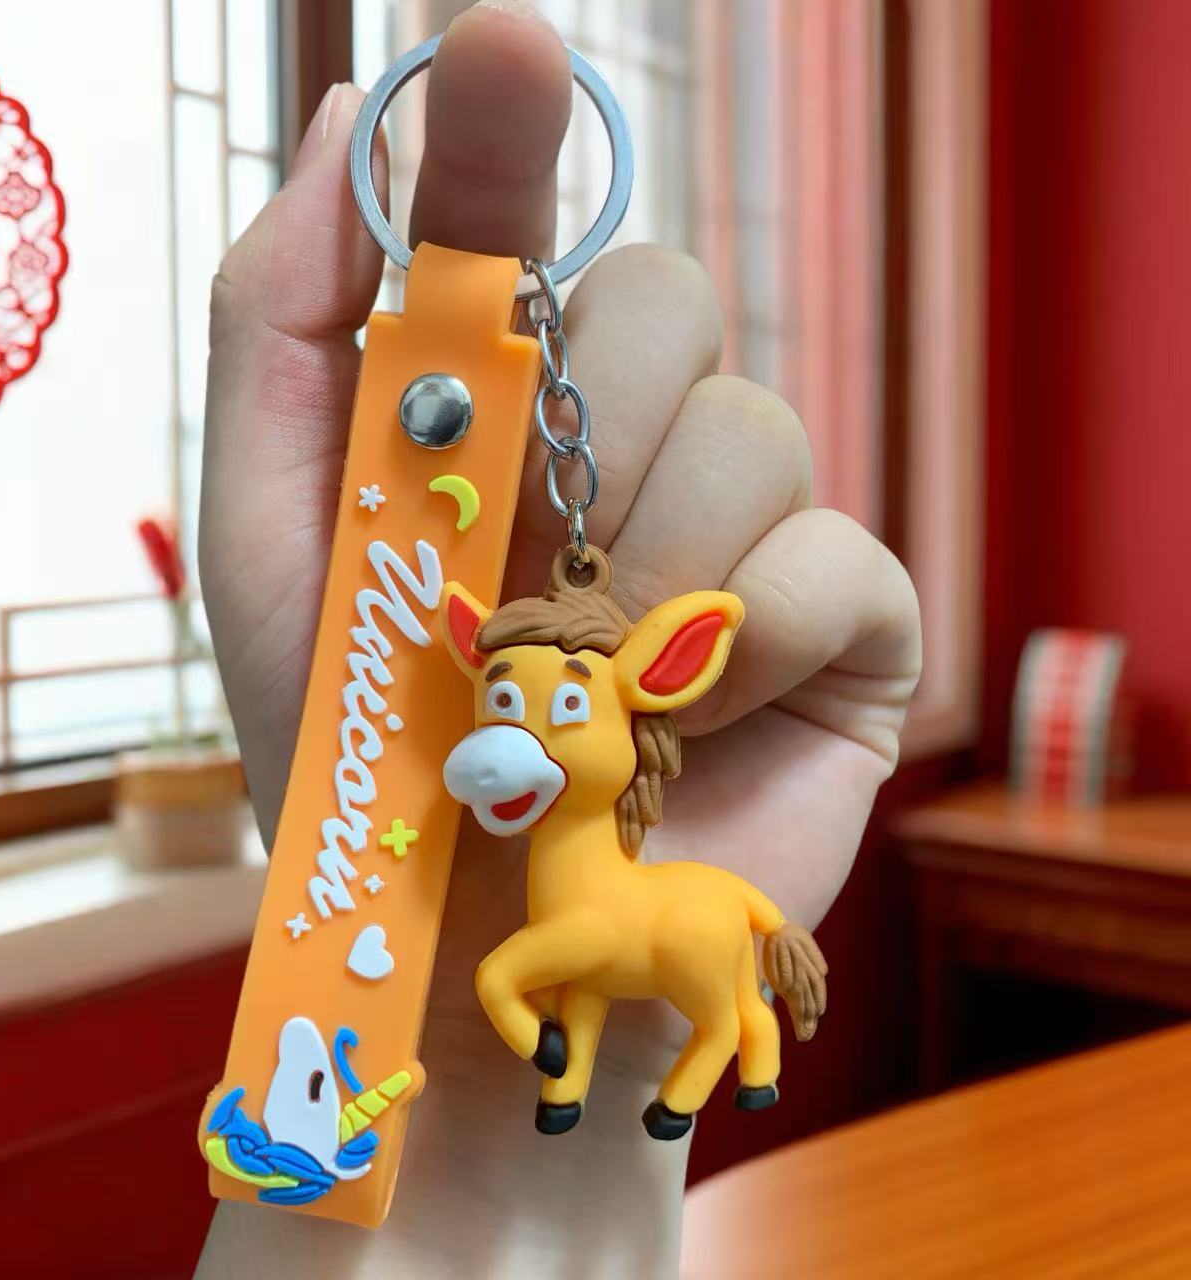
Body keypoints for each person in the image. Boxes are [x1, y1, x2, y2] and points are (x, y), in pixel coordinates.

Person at [195, 2, 920, 1274]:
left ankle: (691, 1053)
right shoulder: (433, 689)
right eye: (501, 698)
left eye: (559, 707)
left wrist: (528, 1167)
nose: (508, 735)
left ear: (657, 680)